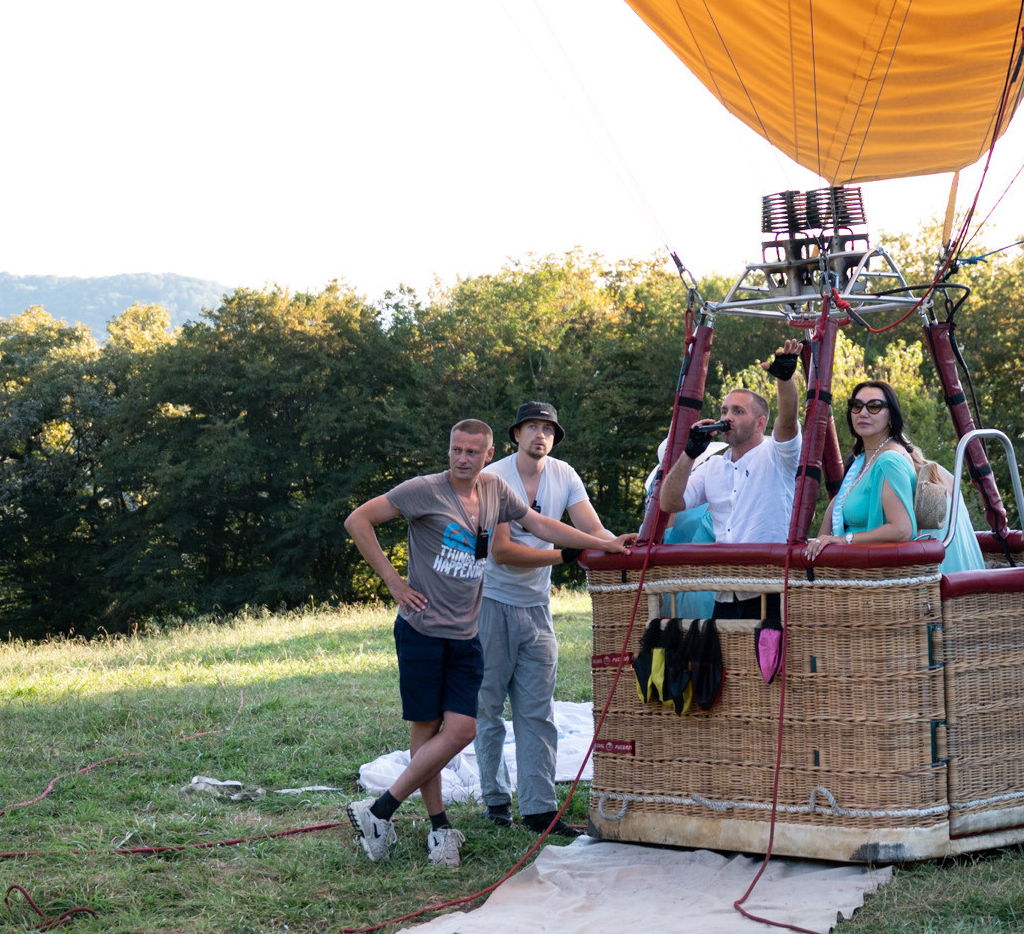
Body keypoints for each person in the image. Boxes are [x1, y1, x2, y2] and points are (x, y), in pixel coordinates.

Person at [342, 419, 625, 866]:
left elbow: (541, 524)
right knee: (427, 731)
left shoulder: (494, 491)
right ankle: (439, 827)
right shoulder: (424, 489)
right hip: (421, 632)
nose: (462, 459)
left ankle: (379, 810)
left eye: (472, 452)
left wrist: (603, 545)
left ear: (488, 454)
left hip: (466, 634)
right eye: (456, 449)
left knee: (462, 729)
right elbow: (358, 520)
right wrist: (394, 582)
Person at [476, 400, 630, 837]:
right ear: (516, 434)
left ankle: (539, 809)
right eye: (532, 427)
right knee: (486, 707)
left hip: (537, 609)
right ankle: (495, 800)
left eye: (548, 428)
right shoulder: (493, 479)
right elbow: (501, 550)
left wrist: (617, 545)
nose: (540, 435)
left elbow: (590, 529)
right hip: (489, 602)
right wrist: (569, 554)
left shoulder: (566, 474)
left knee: (537, 711)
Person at [652, 350, 803, 617]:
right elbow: (669, 501)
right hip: (724, 592)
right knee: (727, 661)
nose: (726, 417)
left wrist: (784, 380)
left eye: (737, 411)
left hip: (771, 591)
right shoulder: (713, 466)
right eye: (724, 410)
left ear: (760, 424)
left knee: (768, 660)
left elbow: (788, 422)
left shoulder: (777, 455)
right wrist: (689, 452)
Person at [804, 379, 983, 571]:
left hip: (886, 583)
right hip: (863, 577)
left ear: (891, 417)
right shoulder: (864, 461)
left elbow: (902, 530)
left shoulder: (889, 461)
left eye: (874, 407)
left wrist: (844, 539)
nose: (863, 412)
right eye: (856, 406)